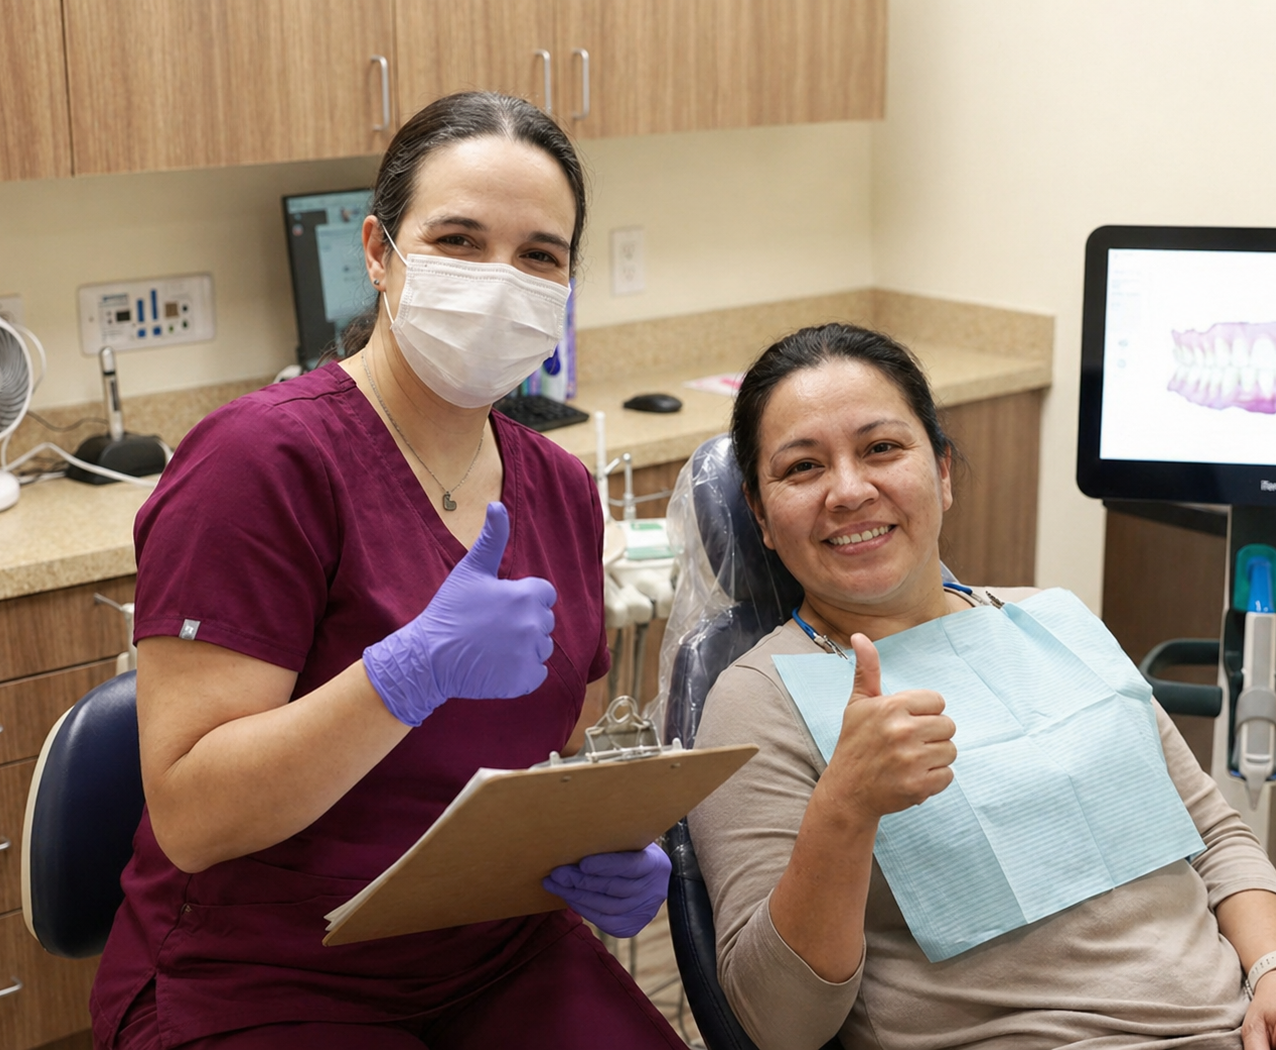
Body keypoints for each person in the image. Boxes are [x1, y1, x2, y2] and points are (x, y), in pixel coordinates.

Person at [89, 92, 681, 1050]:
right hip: (263, 970)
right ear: (378, 250)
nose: (500, 281)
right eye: (458, 240)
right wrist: (406, 674)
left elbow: (564, 744)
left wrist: (606, 845)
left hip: (495, 949)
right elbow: (193, 818)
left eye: (540, 256)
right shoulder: (259, 463)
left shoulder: (561, 488)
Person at [687, 322, 1276, 1050]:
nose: (849, 490)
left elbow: (1212, 836)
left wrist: (1267, 969)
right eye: (803, 467)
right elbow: (776, 1025)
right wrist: (844, 809)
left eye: (881, 448)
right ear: (761, 516)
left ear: (942, 472)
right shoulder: (757, 699)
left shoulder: (1053, 621)